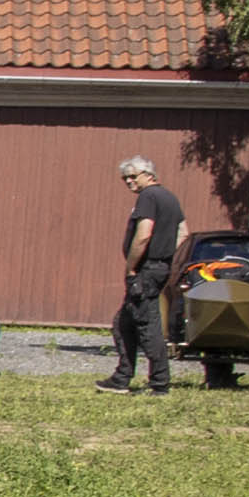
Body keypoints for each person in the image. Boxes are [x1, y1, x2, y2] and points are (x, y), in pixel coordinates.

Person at [101, 155, 182, 394]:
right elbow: (184, 233)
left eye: (132, 176)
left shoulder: (148, 196)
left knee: (148, 326)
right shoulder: (170, 198)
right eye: (124, 178)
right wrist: (166, 259)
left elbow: (144, 233)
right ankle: (121, 378)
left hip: (145, 270)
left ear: (149, 174)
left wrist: (132, 266)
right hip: (159, 268)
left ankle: (159, 383)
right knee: (123, 323)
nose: (128, 181)